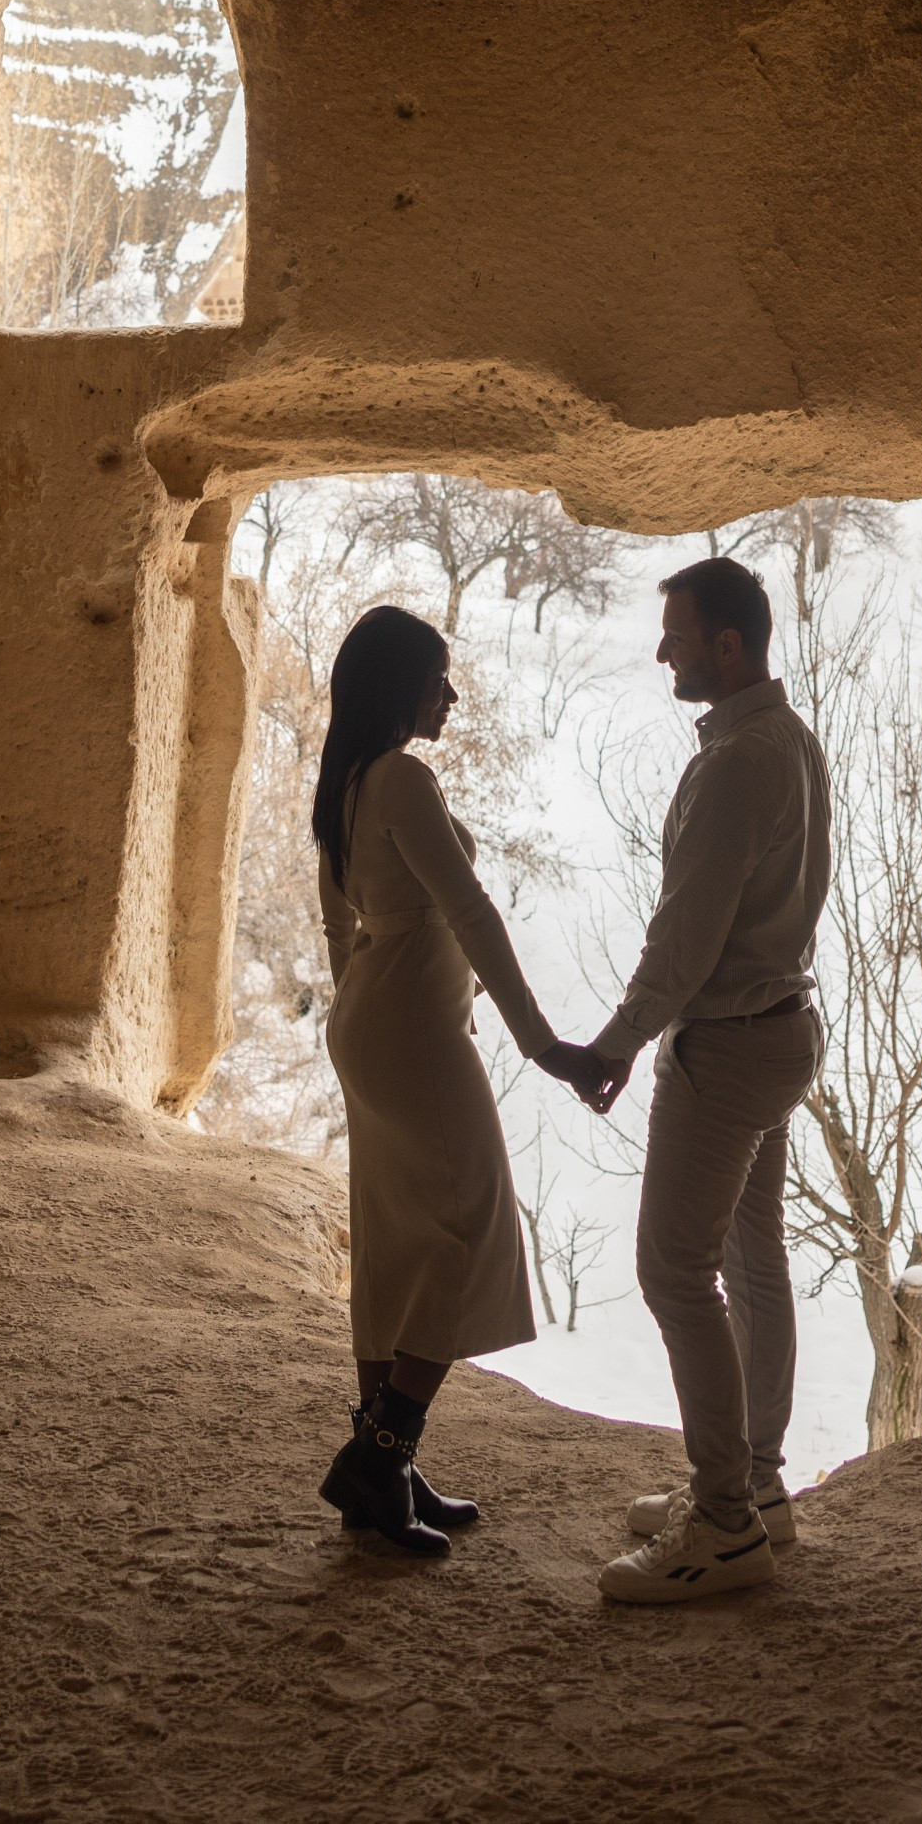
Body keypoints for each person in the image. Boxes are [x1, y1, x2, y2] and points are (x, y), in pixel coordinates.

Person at [312, 601, 610, 1559]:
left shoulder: (346, 780)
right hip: (410, 1030)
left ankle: (381, 1472)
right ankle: (384, 1455)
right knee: (466, 1225)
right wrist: (541, 1043)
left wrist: (355, 1019)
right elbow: (473, 913)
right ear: (403, 686)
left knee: (398, 1239)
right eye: (440, 675)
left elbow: (337, 928)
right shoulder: (402, 777)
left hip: (373, 1018)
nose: (453, 692)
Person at [582, 552, 833, 1607]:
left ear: (727, 646)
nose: (663, 653)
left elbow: (686, 935)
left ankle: (725, 1520)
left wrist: (618, 1039)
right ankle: (759, 1486)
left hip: (726, 1043)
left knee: (676, 1269)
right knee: (753, 1253)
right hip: (781, 1025)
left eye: (678, 636)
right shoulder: (790, 739)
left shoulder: (735, 762)